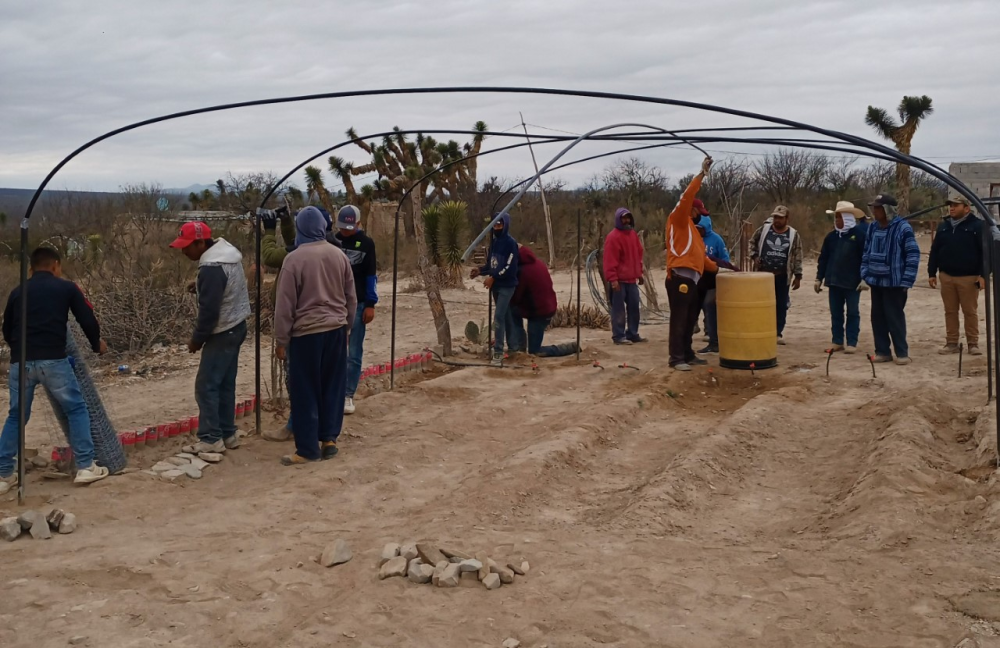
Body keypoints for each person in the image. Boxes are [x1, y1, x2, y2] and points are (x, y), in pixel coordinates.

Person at [0, 247, 110, 492]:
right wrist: (96, 344)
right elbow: (87, 318)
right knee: (76, 408)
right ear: (56, 266)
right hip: (54, 361)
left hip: (21, 363)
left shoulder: (18, 293)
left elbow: (7, 329)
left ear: (31, 269)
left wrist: (19, 352)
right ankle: (85, 466)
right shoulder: (66, 288)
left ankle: (4, 474)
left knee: (17, 416)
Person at [274, 207, 356, 465]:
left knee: (305, 390)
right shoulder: (338, 255)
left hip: (306, 335)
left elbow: (285, 305)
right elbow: (350, 296)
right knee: (332, 386)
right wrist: (347, 327)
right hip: (335, 331)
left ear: (299, 228)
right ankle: (329, 440)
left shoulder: (294, 260)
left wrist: (281, 340)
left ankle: (307, 450)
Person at [260, 206, 341, 441]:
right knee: (324, 382)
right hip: (332, 327)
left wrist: (268, 230)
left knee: (301, 383)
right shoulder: (332, 249)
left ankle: (302, 432)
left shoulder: (299, 257)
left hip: (305, 329)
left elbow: (272, 256)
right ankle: (325, 436)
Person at [170, 221, 252, 454]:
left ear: (200, 243)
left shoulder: (211, 268)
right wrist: (200, 285)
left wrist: (197, 339)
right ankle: (228, 434)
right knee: (225, 384)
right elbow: (224, 288)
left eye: (187, 247)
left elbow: (209, 312)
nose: (184, 252)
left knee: (206, 386)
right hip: (238, 326)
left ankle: (210, 438)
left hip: (222, 332)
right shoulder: (227, 256)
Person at [665, 157, 717, 371]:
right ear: (691, 211)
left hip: (692, 280)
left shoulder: (693, 232)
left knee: (690, 319)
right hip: (679, 279)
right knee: (679, 319)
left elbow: (702, 259)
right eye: (698, 213)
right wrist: (701, 176)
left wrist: (719, 269)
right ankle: (676, 358)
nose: (699, 218)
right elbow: (685, 198)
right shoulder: (678, 220)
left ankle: (687, 353)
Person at [861, 194, 920, 365]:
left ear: (888, 210)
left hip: (895, 283)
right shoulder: (872, 228)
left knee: (894, 318)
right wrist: (865, 273)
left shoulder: (903, 228)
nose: (875, 211)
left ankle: (901, 353)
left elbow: (913, 254)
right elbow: (866, 252)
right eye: (874, 207)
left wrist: (907, 280)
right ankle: (882, 351)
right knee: (877, 318)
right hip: (875, 282)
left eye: (878, 208)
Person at [334, 205, 378, 415]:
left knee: (353, 352)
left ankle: (347, 394)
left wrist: (370, 304)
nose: (345, 231)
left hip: (359, 304)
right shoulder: (332, 241)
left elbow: (371, 275)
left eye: (350, 227)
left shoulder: (367, 244)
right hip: (334, 304)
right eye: (343, 227)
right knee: (334, 351)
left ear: (358, 224)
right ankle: (332, 392)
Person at [928, 195, 985, 355]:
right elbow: (935, 250)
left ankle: (973, 343)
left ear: (966, 208)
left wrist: (984, 276)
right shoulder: (943, 226)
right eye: (950, 205)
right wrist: (932, 272)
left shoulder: (977, 226)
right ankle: (951, 342)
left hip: (969, 277)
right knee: (950, 311)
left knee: (970, 311)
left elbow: (985, 253)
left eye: (955, 205)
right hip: (947, 276)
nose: (951, 208)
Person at [816, 201, 868, 353]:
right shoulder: (831, 237)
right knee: (836, 313)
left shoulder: (859, 236)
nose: (836, 220)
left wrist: (865, 278)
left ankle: (852, 342)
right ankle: (837, 341)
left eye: (839, 217)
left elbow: (866, 257)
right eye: (836, 217)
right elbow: (823, 258)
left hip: (853, 283)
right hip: (833, 281)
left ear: (847, 218)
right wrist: (819, 278)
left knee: (852, 312)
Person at [508, 244, 579, 357]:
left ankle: (570, 348)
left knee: (535, 351)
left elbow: (516, 297)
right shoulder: (538, 262)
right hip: (546, 307)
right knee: (513, 310)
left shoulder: (522, 271)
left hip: (539, 313)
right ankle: (520, 347)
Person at [471, 213, 518, 367]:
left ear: (505, 225)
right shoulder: (494, 243)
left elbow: (509, 267)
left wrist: (494, 278)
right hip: (496, 287)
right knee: (506, 315)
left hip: (506, 286)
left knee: (498, 317)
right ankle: (513, 347)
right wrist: (480, 270)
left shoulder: (511, 244)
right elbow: (492, 265)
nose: (497, 227)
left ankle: (498, 351)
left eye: (500, 225)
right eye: (495, 225)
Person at [750, 206, 803, 345]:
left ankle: (777, 333)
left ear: (787, 218)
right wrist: (755, 256)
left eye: (780, 217)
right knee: (761, 304)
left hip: (782, 275)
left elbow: (797, 254)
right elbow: (752, 242)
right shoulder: (764, 230)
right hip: (763, 275)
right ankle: (761, 330)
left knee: (780, 305)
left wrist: (798, 276)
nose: (777, 220)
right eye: (775, 217)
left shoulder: (793, 234)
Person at [603, 207, 646, 345]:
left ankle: (632, 333)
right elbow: (610, 260)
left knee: (634, 308)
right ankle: (618, 336)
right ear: (618, 219)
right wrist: (613, 279)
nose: (626, 220)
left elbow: (638, 255)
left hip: (631, 279)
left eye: (628, 217)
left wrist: (639, 274)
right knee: (618, 310)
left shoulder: (633, 235)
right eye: (623, 218)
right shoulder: (613, 237)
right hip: (619, 281)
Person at [695, 212, 729, 354]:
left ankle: (714, 341)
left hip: (713, 280)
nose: (699, 230)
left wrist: (712, 262)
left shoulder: (716, 240)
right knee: (696, 306)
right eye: (696, 228)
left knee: (710, 307)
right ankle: (699, 330)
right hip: (697, 278)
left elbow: (726, 261)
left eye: (700, 228)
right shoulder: (694, 239)